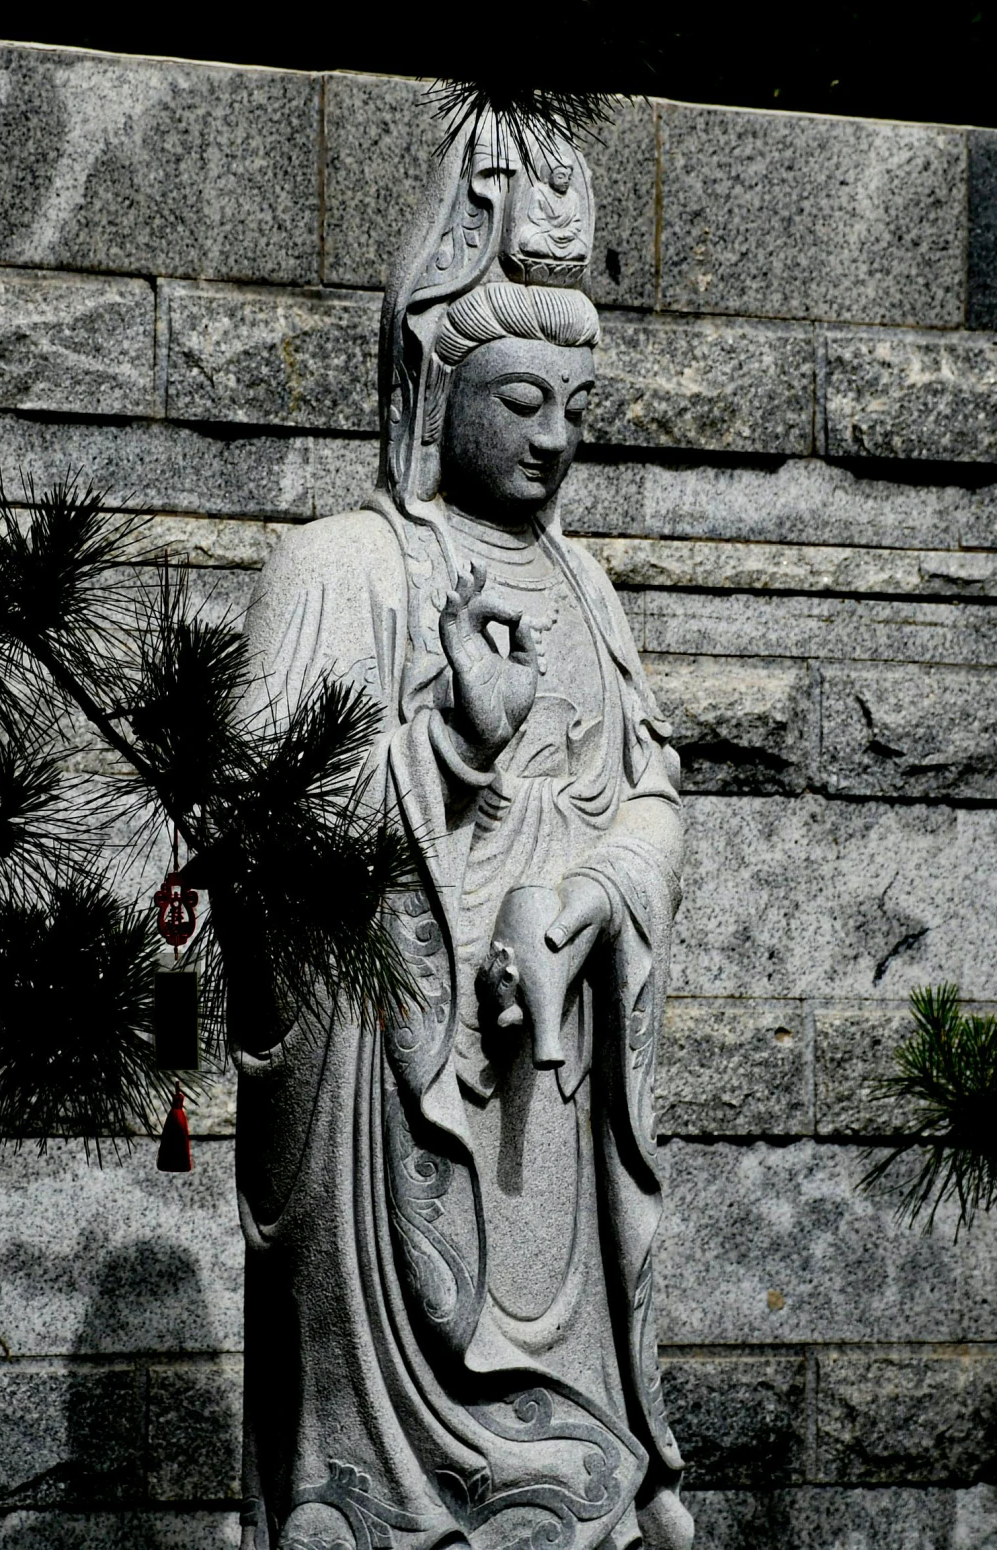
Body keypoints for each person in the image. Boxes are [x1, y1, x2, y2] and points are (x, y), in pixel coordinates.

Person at [233, 112, 692, 1550]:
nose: (557, 438)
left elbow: (654, 798)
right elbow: (256, 824)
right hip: (389, 1124)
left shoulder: (593, 597)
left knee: (572, 1463)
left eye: (576, 402)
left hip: (548, 1110)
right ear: (438, 387)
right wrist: (448, 739)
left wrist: (591, 900)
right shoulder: (342, 570)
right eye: (521, 400)